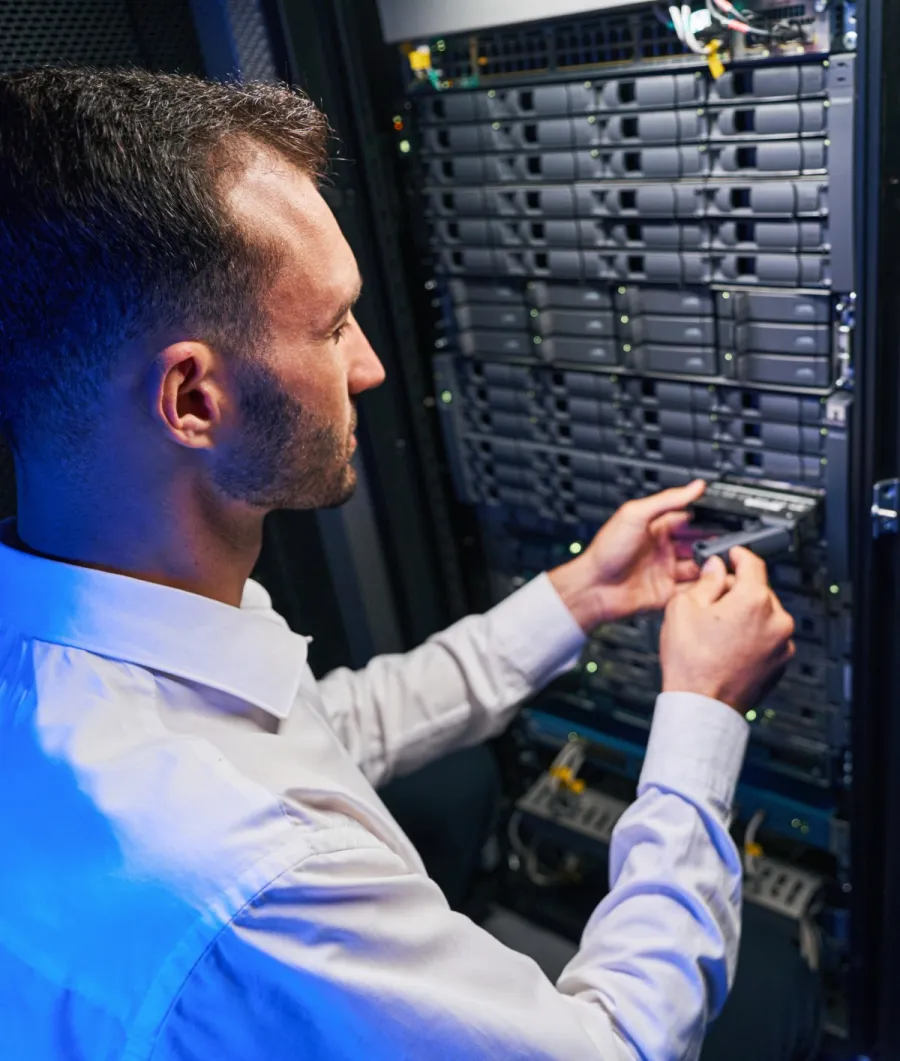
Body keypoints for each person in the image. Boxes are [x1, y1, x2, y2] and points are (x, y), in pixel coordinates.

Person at [0, 68, 796, 1061]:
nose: (371, 366)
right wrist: (703, 713)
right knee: (770, 994)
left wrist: (579, 595)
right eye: (333, 326)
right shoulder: (253, 871)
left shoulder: (78, 627)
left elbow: (316, 729)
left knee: (454, 786)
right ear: (194, 399)